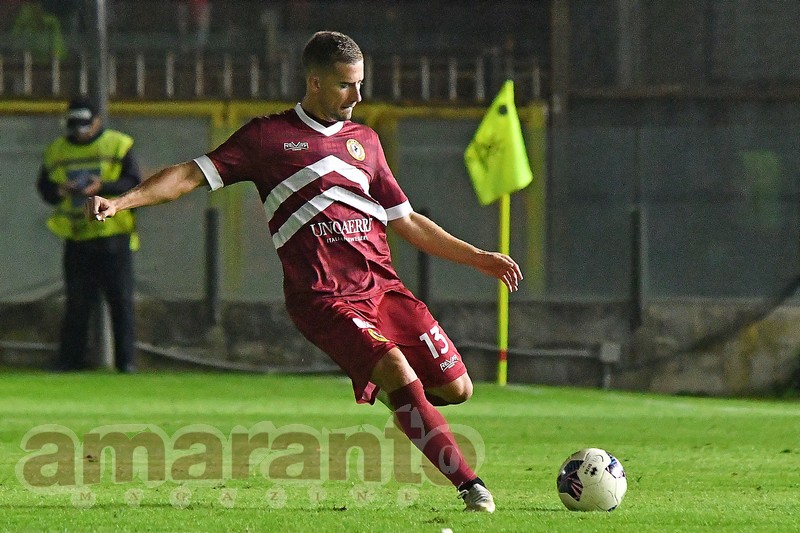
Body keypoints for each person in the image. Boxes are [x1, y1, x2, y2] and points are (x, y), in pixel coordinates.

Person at [87, 31, 522, 512]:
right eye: (345, 86)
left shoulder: (367, 142)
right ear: (314, 82)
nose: (357, 96)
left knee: (456, 389)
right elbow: (190, 174)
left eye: (360, 84)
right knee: (397, 372)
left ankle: (405, 404)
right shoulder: (266, 138)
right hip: (323, 299)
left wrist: (479, 257)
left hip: (384, 290)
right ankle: (470, 486)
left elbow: (408, 222)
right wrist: (123, 200)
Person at [38, 96, 141, 373]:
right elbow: (45, 188)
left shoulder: (118, 144)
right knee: (77, 304)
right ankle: (70, 362)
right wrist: (61, 190)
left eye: (84, 124)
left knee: (120, 302)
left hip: (114, 236)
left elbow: (133, 182)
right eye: (74, 124)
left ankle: (126, 363)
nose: (79, 130)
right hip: (77, 236)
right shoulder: (56, 150)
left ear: (97, 121)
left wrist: (102, 185)